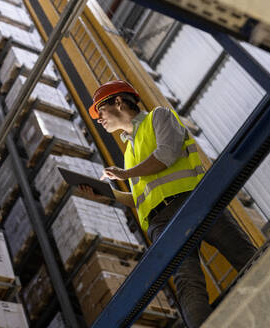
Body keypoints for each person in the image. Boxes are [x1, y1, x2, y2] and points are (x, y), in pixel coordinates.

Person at [80, 80, 257, 328]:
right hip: (160, 222)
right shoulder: (129, 152)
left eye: (100, 111)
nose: (99, 119)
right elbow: (144, 196)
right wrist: (109, 195)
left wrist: (124, 174)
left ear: (118, 102)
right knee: (188, 284)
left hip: (193, 202)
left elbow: (166, 155)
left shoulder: (158, 117)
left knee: (244, 256)